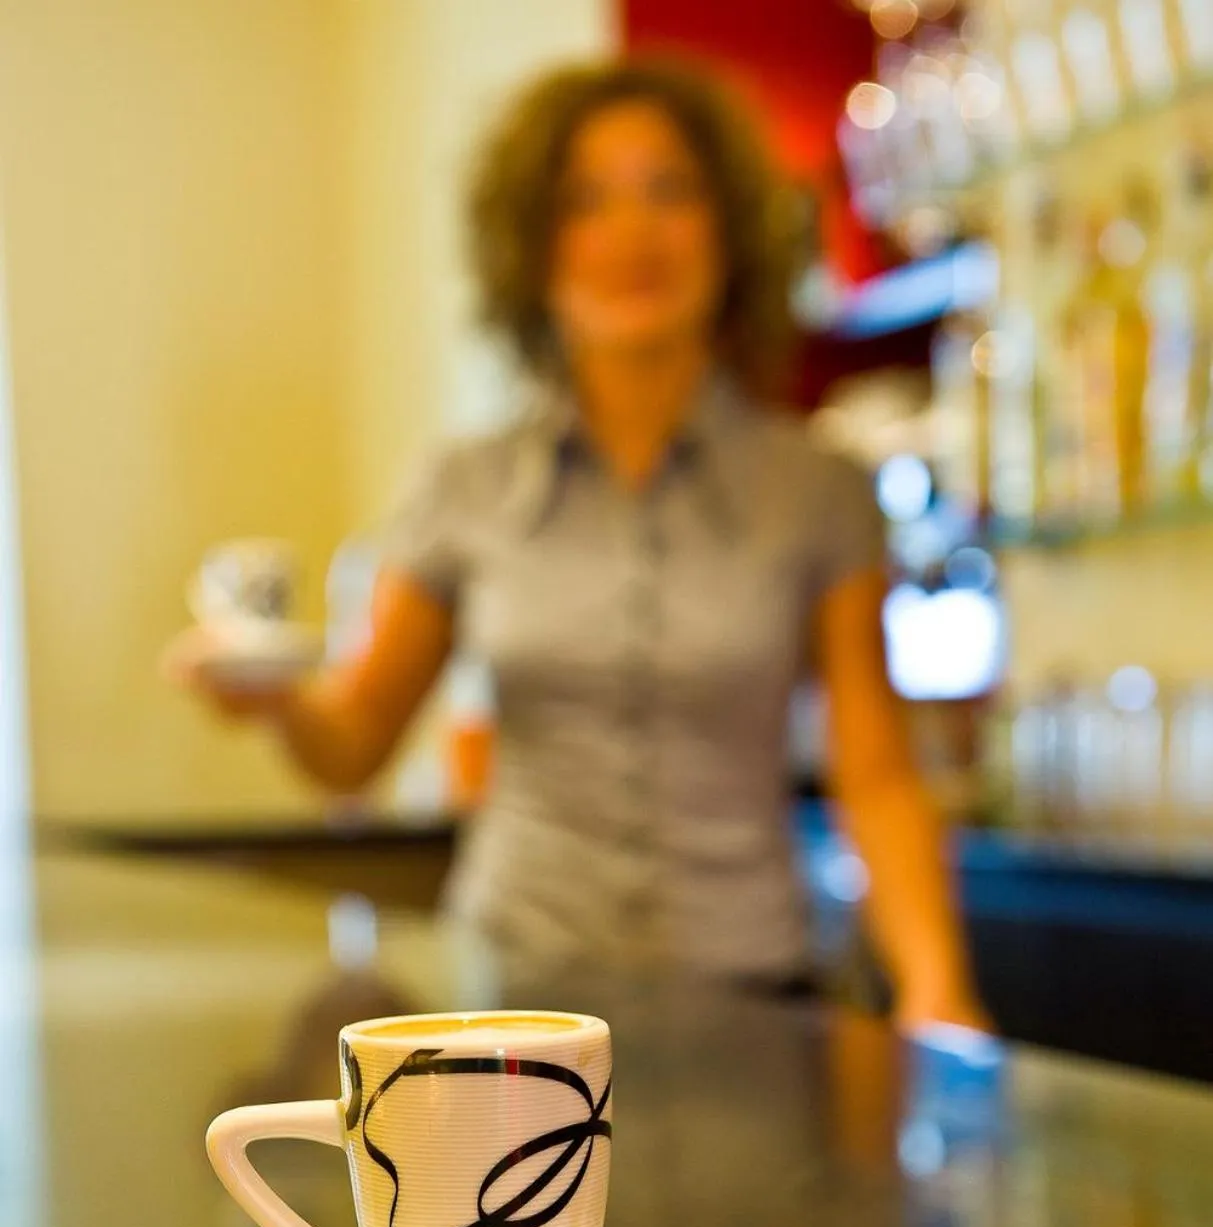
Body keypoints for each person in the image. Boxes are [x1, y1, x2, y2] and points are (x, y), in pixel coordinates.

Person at [172, 57, 986, 1030]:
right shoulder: (461, 487)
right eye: (584, 201)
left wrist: (939, 990)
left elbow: (879, 777)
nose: (629, 232)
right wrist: (270, 696)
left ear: (727, 229)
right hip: (515, 1003)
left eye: (668, 191)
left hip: (752, 1004)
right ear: (532, 247)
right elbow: (353, 747)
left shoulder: (820, 493)